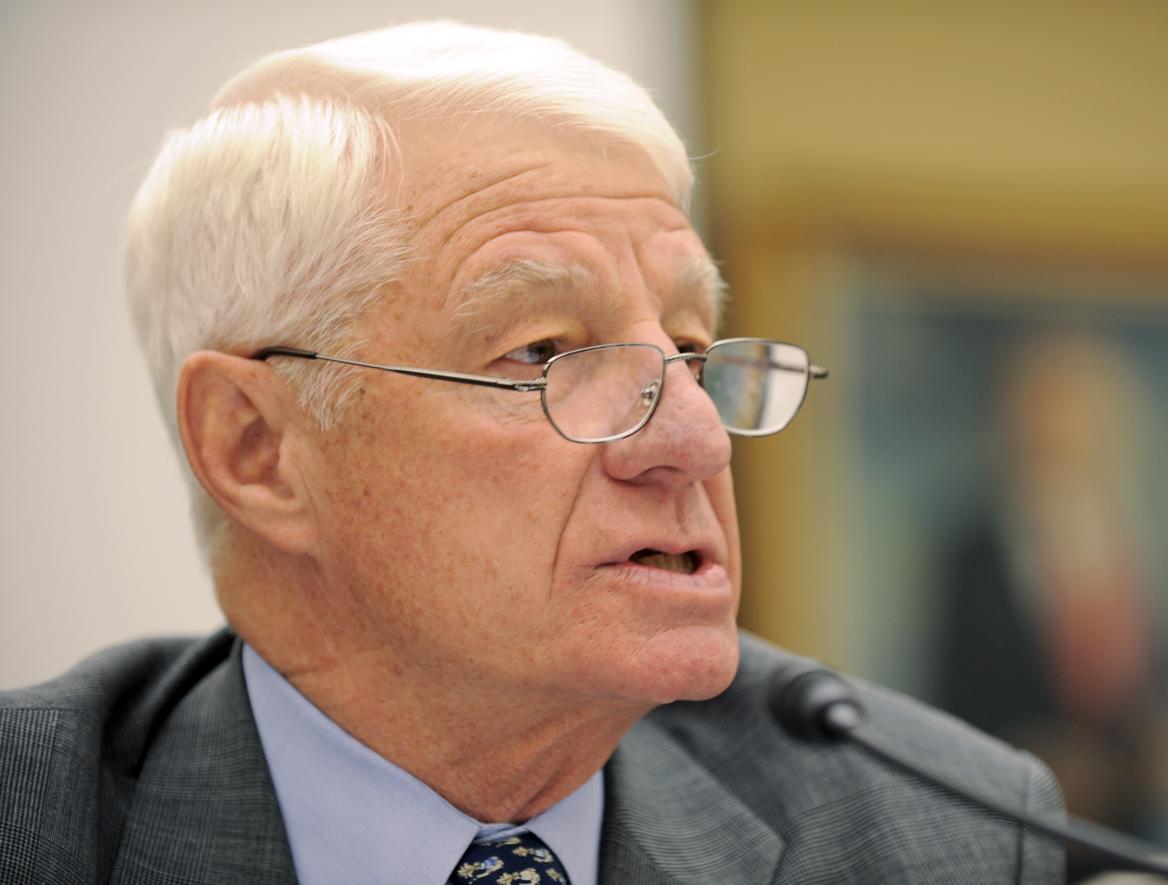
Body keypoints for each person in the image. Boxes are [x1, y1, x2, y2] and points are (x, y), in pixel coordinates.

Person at [0, 22, 1063, 884]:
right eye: (542, 352)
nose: (693, 437)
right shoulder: (35, 824)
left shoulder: (939, 835)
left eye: (689, 350)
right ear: (259, 450)